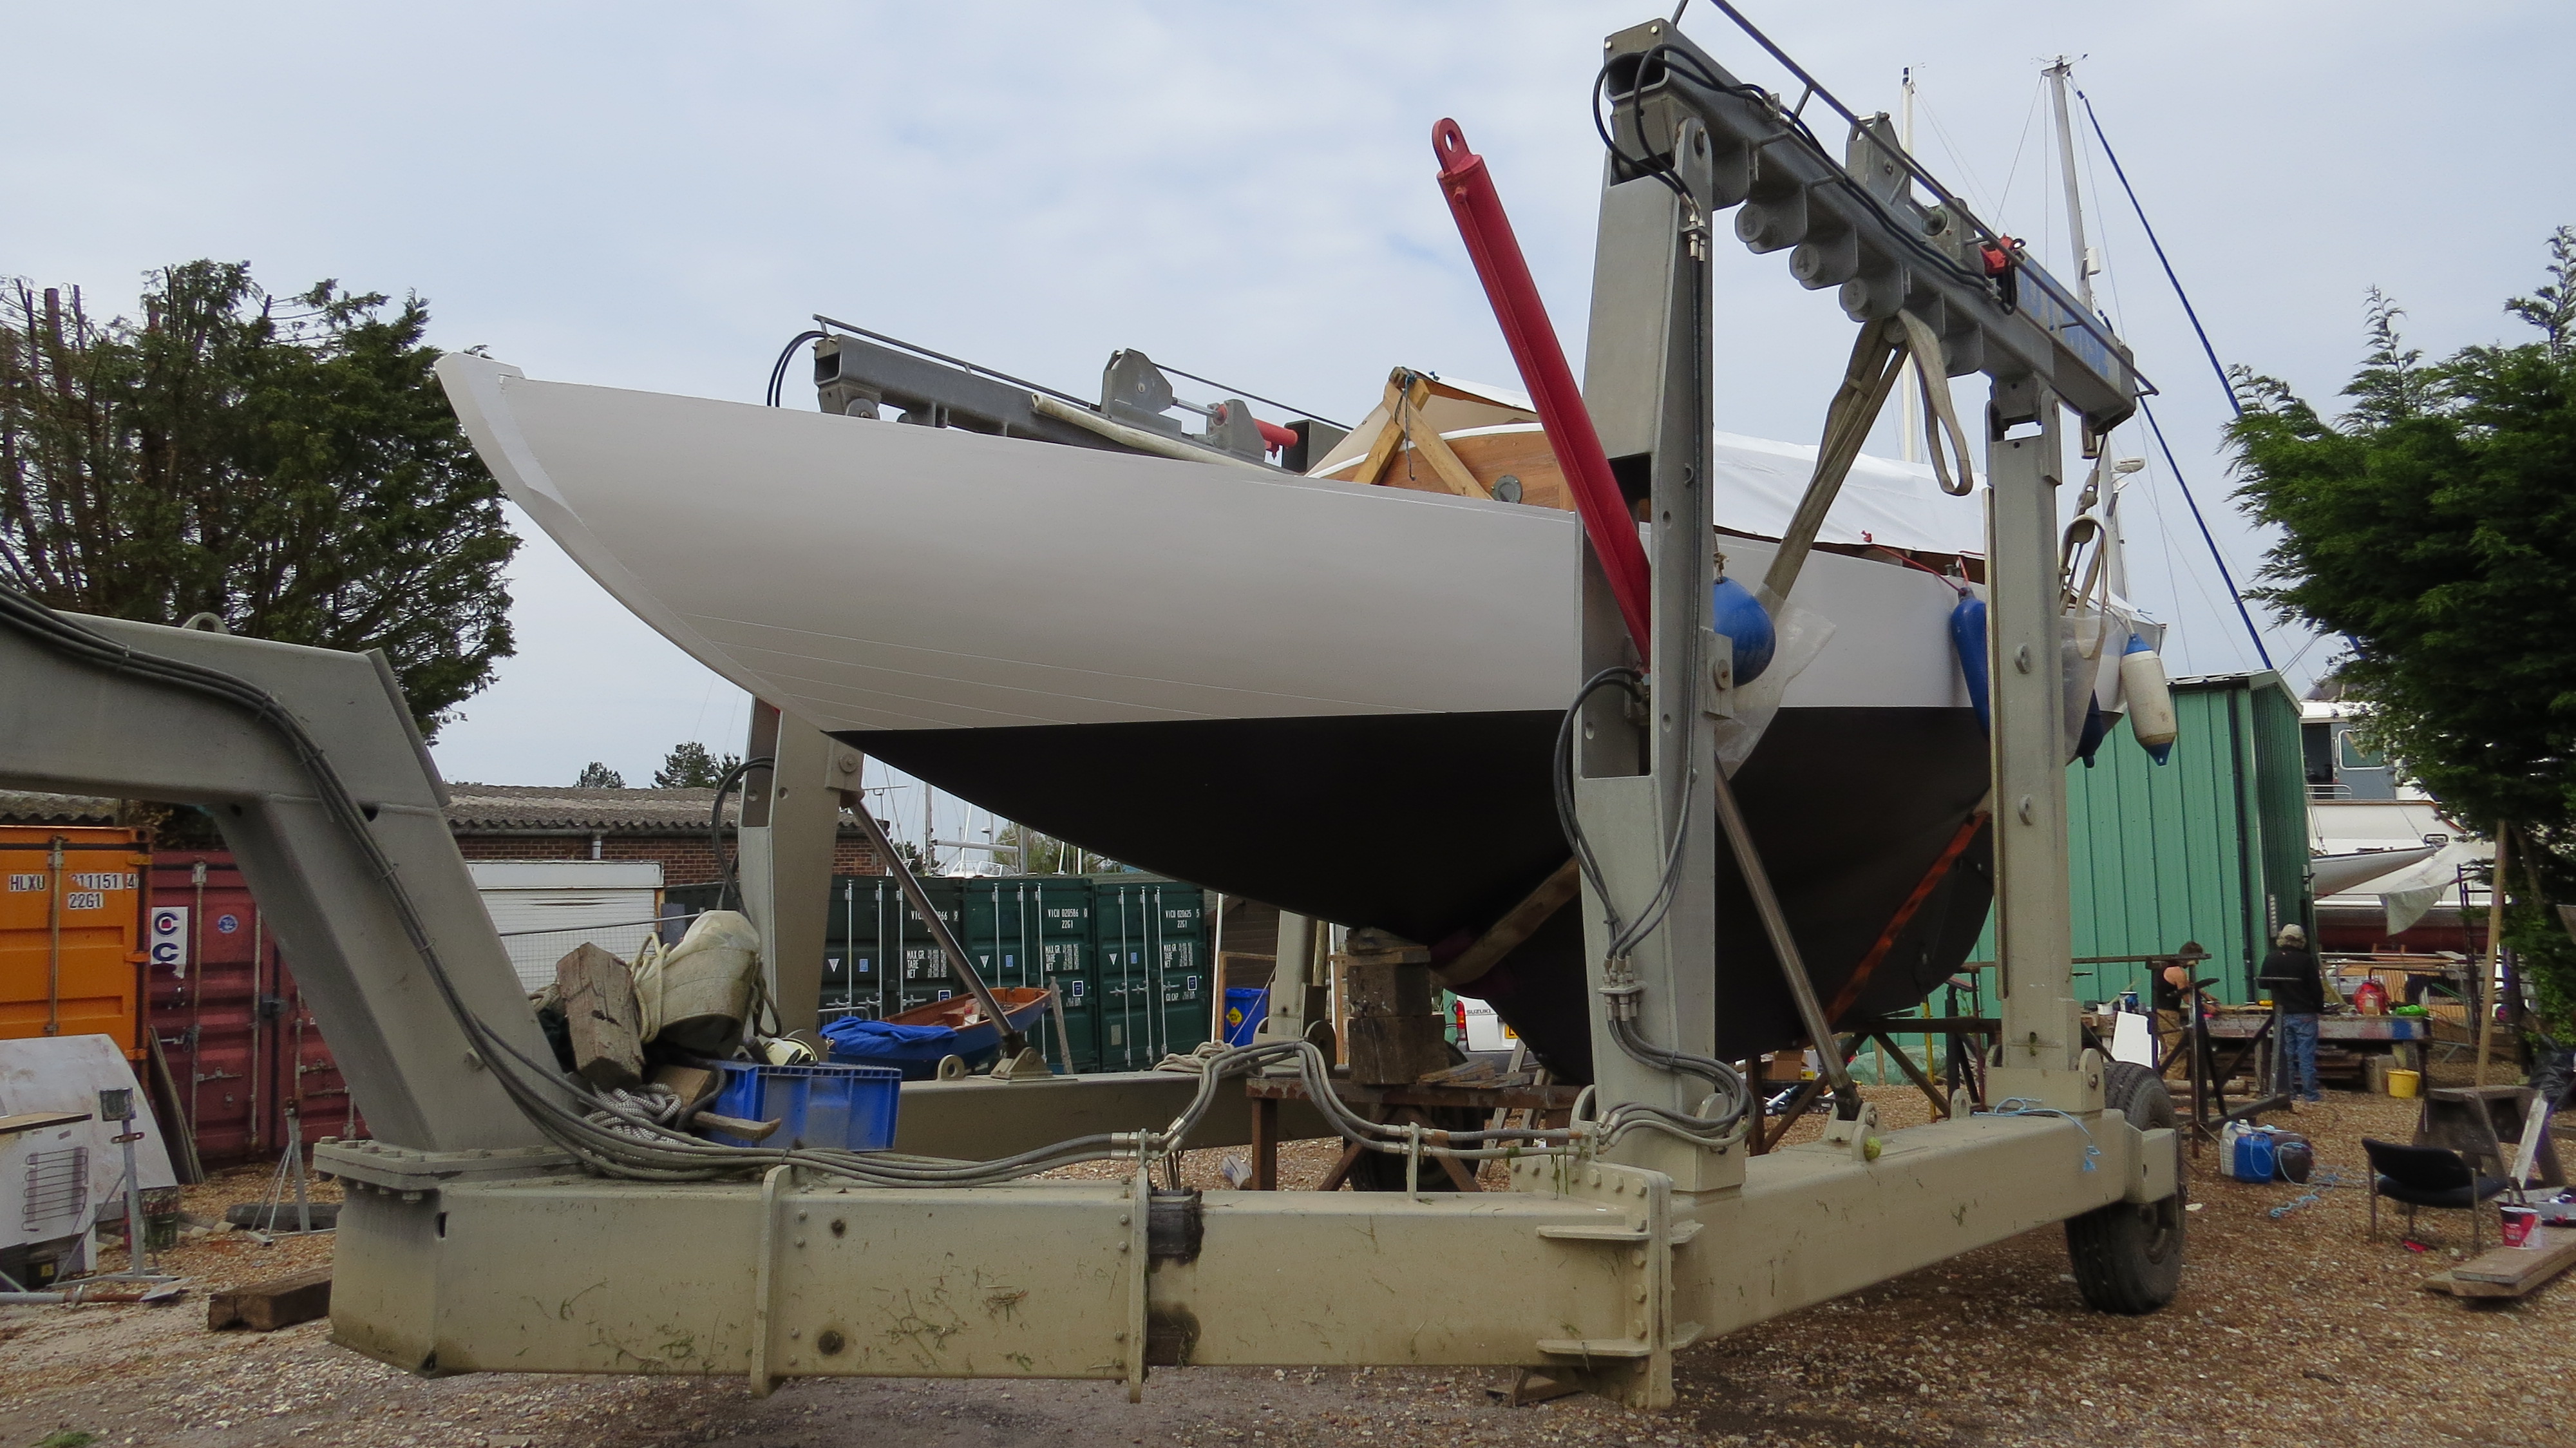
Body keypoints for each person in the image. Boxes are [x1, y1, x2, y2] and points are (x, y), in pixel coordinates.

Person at [2259, 923, 2327, 1106]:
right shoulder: (2305, 960)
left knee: (2286, 1054)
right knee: (2306, 1055)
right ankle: (2310, 1095)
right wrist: (2320, 1008)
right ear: (2300, 940)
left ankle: (2289, 1092)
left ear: (2282, 938)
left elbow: (2262, 984)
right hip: (2304, 1012)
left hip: (2281, 1012)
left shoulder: (2271, 958)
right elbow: (2316, 989)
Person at [2152, 943, 2211, 1078]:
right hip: (2168, 1014)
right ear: (2190, 957)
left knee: (2166, 1050)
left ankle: (2162, 1082)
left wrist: (2204, 993)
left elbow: (2187, 983)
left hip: (2157, 1012)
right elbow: (2187, 999)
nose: (2196, 964)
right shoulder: (2179, 972)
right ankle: (2175, 1087)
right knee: (2177, 1052)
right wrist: (2206, 1006)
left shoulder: (2165, 966)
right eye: (2196, 960)